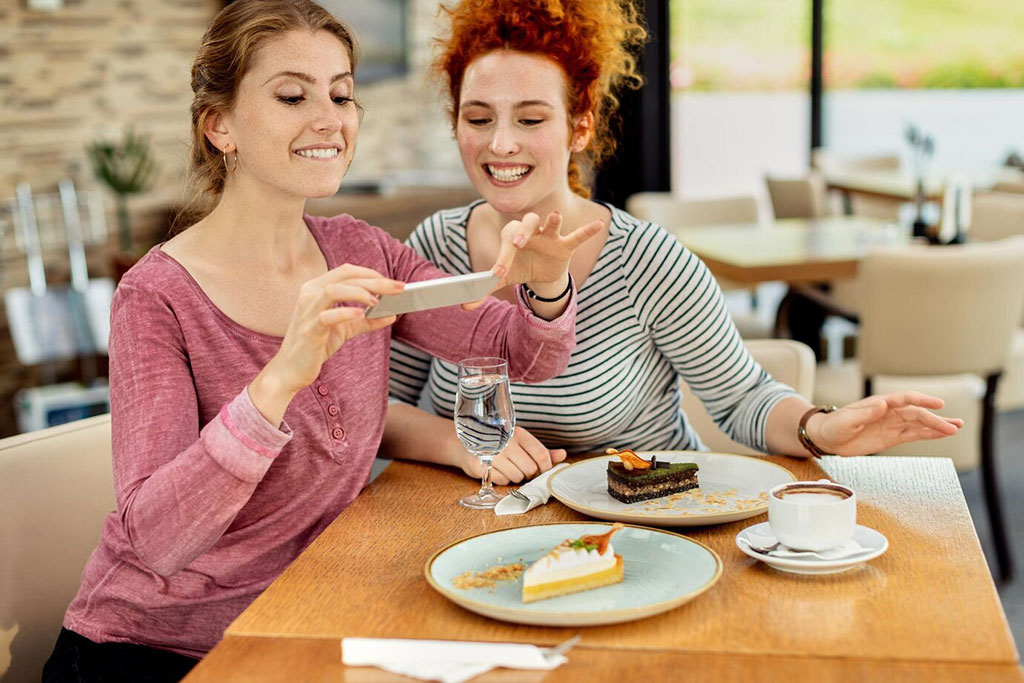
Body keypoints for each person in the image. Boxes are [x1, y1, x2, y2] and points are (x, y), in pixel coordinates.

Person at [42, 1, 601, 680]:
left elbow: (518, 352)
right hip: (149, 652)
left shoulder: (363, 252)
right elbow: (156, 539)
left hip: (305, 623)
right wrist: (282, 374)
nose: (330, 118)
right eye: (292, 95)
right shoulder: (157, 297)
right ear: (219, 126)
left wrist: (544, 285)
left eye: (341, 94)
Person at [382, 0, 962, 484]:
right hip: (474, 527)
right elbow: (380, 407)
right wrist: (457, 443)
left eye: (531, 120)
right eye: (478, 118)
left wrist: (820, 427)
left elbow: (742, 398)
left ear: (579, 126)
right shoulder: (435, 244)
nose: (500, 144)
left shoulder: (645, 260)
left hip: (638, 526)